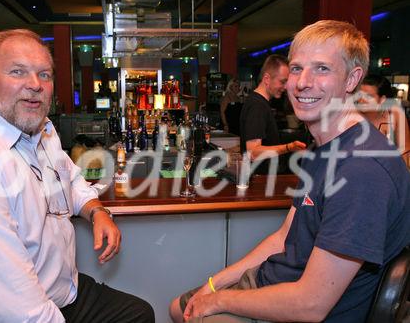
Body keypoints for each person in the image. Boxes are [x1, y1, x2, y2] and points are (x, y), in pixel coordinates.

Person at [170, 20, 410, 323]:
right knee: (177, 308)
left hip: (301, 308)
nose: (302, 82)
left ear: (352, 79)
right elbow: (284, 237)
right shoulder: (322, 149)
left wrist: (220, 300)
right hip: (274, 282)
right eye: (296, 68)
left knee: (190, 315)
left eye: (322, 68)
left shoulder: (360, 171)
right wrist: (214, 285)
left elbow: (311, 304)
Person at [0, 29, 154, 323]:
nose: (35, 85)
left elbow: (69, 180)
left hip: (59, 293)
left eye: (45, 75)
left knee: (138, 315)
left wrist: (96, 211)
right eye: (18, 72)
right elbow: (6, 306)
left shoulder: (40, 127)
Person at [239, 54, 306, 174]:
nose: (285, 87)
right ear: (267, 79)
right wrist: (289, 147)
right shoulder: (257, 106)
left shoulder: (260, 103)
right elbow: (253, 152)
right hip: (260, 180)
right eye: (282, 82)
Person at [358, 74, 410, 166]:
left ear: (382, 99)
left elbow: (404, 150)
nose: (361, 100)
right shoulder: (351, 114)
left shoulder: (394, 113)